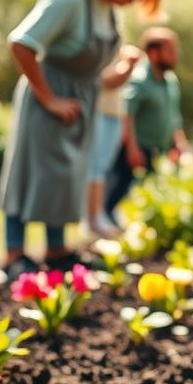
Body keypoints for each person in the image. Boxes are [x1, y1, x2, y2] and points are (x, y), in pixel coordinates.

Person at [0, 0, 162, 277]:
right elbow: (22, 44)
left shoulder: (109, 11)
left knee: (66, 178)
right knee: (30, 173)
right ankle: (15, 254)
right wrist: (49, 98)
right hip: (47, 100)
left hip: (80, 104)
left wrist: (123, 72)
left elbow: (94, 79)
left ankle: (56, 251)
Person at [104, 27, 187, 222]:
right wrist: (132, 148)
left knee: (154, 198)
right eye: (171, 51)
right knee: (116, 193)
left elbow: (174, 116)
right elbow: (126, 115)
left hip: (159, 151)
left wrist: (179, 143)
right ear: (154, 53)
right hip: (137, 151)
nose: (176, 56)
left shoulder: (170, 81)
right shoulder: (139, 81)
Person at [86, 43, 144, 238]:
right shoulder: (99, 50)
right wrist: (128, 64)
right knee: (95, 168)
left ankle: (98, 214)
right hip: (101, 112)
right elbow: (107, 81)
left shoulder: (115, 46)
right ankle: (92, 218)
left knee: (102, 168)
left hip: (114, 113)